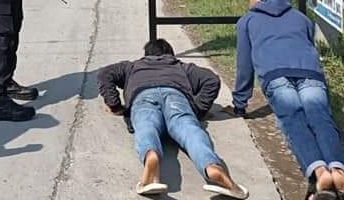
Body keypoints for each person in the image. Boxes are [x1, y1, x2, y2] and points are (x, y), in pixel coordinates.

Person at [233, 0, 344, 200]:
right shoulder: (301, 18)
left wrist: (239, 104)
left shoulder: (247, 21)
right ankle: (341, 173)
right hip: (311, 74)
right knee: (321, 119)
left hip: (276, 76)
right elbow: (306, 46)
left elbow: (244, 65)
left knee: (294, 121)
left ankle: (319, 174)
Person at [97, 39, 247, 198]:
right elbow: (212, 80)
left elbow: (104, 74)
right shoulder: (181, 67)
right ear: (170, 54)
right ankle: (212, 166)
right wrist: (198, 110)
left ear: (146, 54)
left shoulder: (132, 67)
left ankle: (151, 156)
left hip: (143, 96)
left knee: (146, 126)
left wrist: (115, 105)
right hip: (176, 97)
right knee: (190, 130)